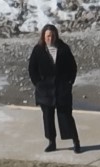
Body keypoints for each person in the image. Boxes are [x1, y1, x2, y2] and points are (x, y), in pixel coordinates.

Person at [28, 24, 80, 153]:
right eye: (47, 36)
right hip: (45, 91)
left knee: (66, 116)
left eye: (52, 35)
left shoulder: (64, 49)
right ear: (43, 37)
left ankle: (76, 142)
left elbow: (72, 67)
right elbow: (32, 69)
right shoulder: (38, 50)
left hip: (62, 89)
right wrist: (38, 84)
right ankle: (52, 142)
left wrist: (69, 83)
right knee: (48, 118)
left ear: (56, 35)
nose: (50, 38)